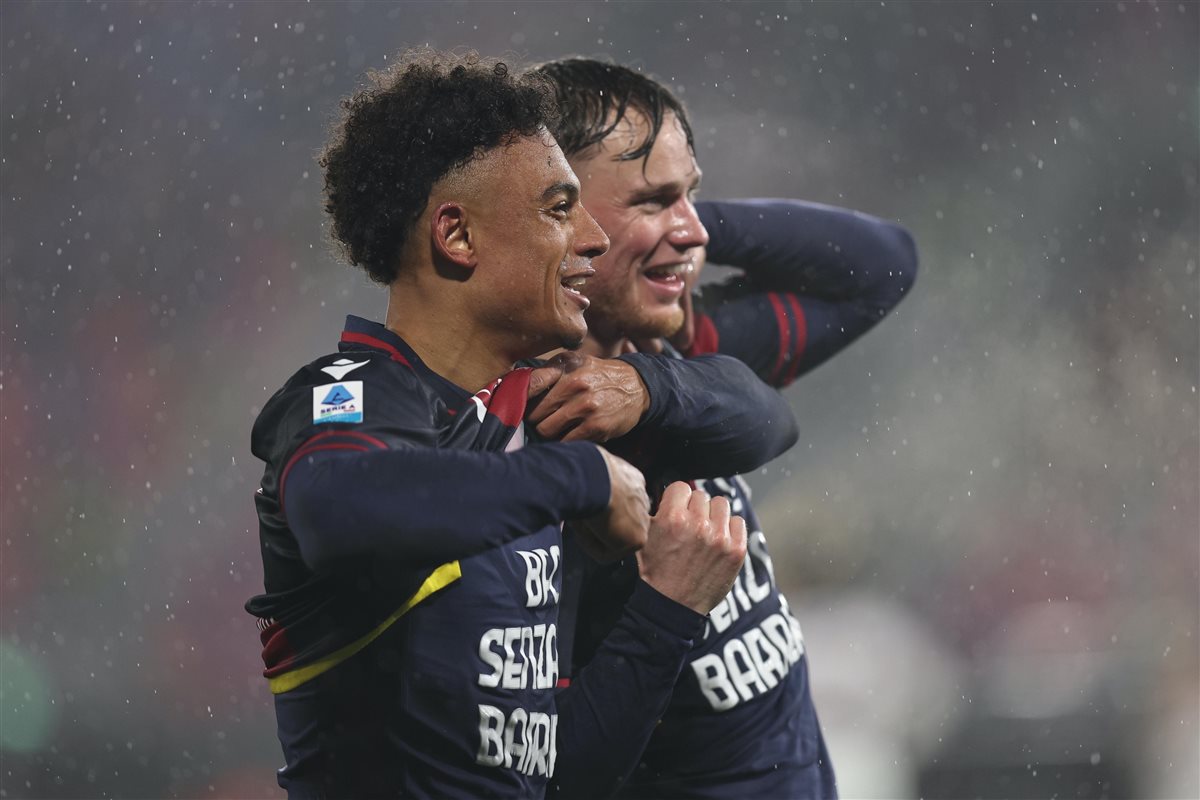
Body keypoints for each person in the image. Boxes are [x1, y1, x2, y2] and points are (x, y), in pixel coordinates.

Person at [245, 50, 801, 799]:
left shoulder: (520, 433)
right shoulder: (350, 394)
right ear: (458, 235)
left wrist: (667, 610)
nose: (593, 240)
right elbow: (338, 507)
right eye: (559, 208)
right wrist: (583, 477)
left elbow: (556, 778)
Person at [534, 59, 919, 799]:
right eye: (651, 199)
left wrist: (676, 233)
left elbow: (884, 265)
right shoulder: (530, 435)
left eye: (691, 194)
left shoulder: (673, 347)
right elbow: (551, 776)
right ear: (557, 216)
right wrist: (666, 612)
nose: (691, 230)